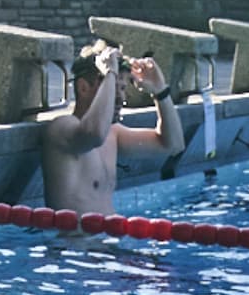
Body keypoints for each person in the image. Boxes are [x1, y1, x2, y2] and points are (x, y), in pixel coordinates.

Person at [41, 41, 185, 215]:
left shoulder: (113, 134)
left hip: (110, 238)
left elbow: (174, 145)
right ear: (83, 88)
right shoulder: (62, 128)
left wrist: (160, 92)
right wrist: (110, 72)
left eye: (122, 88)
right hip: (77, 241)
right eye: (111, 87)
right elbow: (94, 134)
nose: (120, 97)